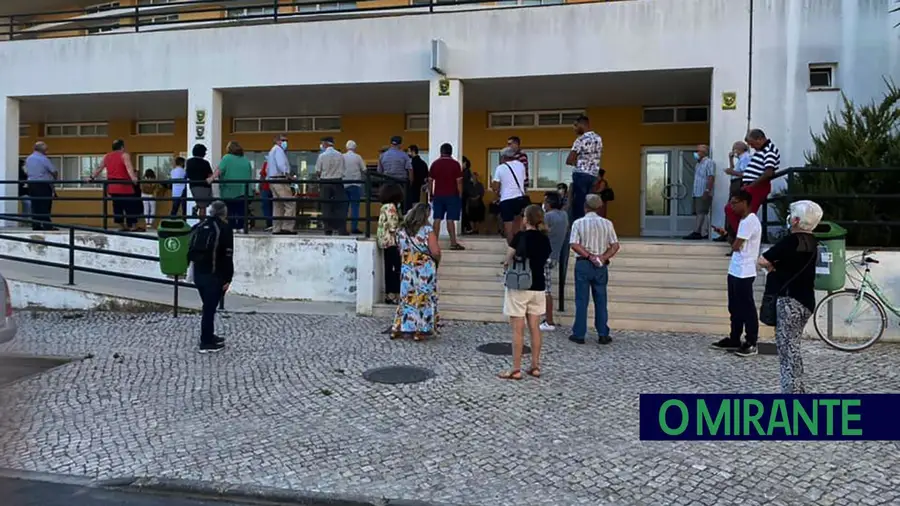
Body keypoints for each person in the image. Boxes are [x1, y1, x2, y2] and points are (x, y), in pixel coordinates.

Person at [758, 200, 822, 393]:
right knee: (793, 346)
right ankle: (797, 388)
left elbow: (763, 259)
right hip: (806, 301)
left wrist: (772, 267)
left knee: (787, 349)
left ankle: (792, 392)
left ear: (795, 220)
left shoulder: (791, 241)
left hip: (789, 301)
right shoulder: (812, 242)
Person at [498, 204, 551, 381]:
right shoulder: (545, 239)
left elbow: (508, 258)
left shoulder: (520, 237)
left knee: (517, 329)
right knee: (535, 328)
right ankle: (535, 366)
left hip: (520, 286)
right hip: (538, 286)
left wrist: (506, 263)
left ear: (526, 219)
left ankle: (516, 369)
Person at [711, 190, 762, 356]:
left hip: (745, 271)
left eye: (734, 203)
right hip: (735, 268)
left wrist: (730, 238)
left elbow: (736, 246)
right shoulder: (743, 221)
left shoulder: (750, 221)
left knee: (746, 307)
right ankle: (734, 338)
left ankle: (751, 341)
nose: (731, 206)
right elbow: (736, 244)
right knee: (734, 306)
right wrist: (726, 234)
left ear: (745, 203)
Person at [568, 194, 619, 345]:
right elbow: (615, 245)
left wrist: (589, 256)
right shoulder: (607, 223)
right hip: (601, 265)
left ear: (585, 206)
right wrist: (602, 257)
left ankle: (579, 334)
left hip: (584, 263)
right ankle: (603, 333)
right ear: (599, 207)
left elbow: (574, 244)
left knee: (582, 300)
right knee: (601, 300)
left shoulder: (578, 223)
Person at [188, 200, 233, 354]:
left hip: (198, 273)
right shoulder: (224, 228)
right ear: (224, 213)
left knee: (208, 306)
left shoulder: (199, 226)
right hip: (215, 274)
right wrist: (228, 278)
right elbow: (228, 255)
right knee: (209, 308)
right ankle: (206, 342)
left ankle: (209, 336)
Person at [391, 203, 441, 341]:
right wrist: (437, 260)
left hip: (407, 266)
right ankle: (421, 329)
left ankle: (401, 327)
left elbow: (399, 248)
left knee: (407, 297)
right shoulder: (426, 230)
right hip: (424, 267)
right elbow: (435, 251)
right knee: (423, 296)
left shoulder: (401, 230)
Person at [724, 128, 780, 237]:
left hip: (756, 187)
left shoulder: (769, 150)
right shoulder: (761, 151)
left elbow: (769, 172)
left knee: (741, 212)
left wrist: (751, 185)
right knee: (733, 209)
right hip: (750, 186)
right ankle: (741, 237)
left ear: (759, 139)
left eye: (752, 143)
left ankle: (744, 239)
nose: (751, 146)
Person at [90, 139, 138, 231]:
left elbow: (99, 168)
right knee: (130, 205)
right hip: (125, 185)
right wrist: (134, 178)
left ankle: (121, 226)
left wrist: (92, 177)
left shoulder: (107, 156)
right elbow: (129, 167)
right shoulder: (124, 155)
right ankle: (132, 226)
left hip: (112, 186)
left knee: (117, 206)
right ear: (122, 147)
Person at [565, 115, 602, 222]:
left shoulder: (580, 140)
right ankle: (590, 225)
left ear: (583, 124)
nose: (574, 128)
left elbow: (569, 159)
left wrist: (575, 161)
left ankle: (578, 228)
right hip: (593, 175)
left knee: (578, 204)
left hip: (581, 174)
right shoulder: (598, 139)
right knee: (589, 203)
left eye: (576, 126)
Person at [540, 191, 568, 331]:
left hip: (545, 255)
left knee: (546, 290)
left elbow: (541, 232)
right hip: (555, 255)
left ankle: (549, 320)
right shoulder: (564, 215)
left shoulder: (548, 216)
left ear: (549, 203)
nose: (543, 204)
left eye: (545, 202)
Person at [429, 142, 465, 250]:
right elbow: (459, 182)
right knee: (450, 219)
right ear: (451, 152)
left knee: (437, 218)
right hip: (452, 195)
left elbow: (430, 181)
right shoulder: (455, 164)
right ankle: (453, 243)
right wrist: (460, 194)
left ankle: (434, 243)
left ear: (441, 152)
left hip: (438, 195)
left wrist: (431, 194)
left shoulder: (435, 164)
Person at [491, 146, 528, 244]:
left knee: (508, 229)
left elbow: (496, 187)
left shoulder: (500, 168)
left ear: (503, 157)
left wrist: (495, 192)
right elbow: (523, 182)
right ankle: (519, 251)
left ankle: (512, 252)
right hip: (520, 199)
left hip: (506, 200)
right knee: (518, 228)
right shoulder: (521, 166)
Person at [717, 140, 752, 242]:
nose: (733, 151)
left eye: (734, 149)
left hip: (739, 183)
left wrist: (731, 172)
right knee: (730, 207)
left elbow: (744, 173)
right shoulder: (740, 159)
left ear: (740, 148)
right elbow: (734, 170)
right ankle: (727, 233)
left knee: (733, 207)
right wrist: (731, 159)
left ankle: (731, 234)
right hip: (734, 183)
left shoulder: (746, 158)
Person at [214, 141, 253, 232]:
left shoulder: (227, 158)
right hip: (244, 190)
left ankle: (232, 227)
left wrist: (211, 178)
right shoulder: (245, 159)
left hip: (229, 190)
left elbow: (219, 170)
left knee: (230, 210)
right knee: (241, 210)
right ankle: (241, 227)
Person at [377, 184, 404, 304]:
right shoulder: (392, 207)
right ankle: (394, 294)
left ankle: (390, 294)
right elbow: (393, 226)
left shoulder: (384, 207)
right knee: (396, 268)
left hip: (384, 241)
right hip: (392, 241)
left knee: (389, 268)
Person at [316, 136, 347, 236]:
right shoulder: (340, 155)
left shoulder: (322, 156)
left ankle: (328, 229)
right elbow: (343, 170)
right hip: (338, 182)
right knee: (339, 206)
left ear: (325, 143)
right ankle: (340, 229)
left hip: (325, 182)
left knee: (326, 207)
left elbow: (318, 171)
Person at [24, 141, 59, 231]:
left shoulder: (29, 158)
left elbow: (27, 171)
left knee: (35, 204)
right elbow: (53, 171)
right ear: (41, 149)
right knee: (45, 204)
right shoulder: (43, 159)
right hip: (43, 184)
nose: (47, 150)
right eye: (45, 148)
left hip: (32, 184)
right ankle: (47, 225)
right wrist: (54, 178)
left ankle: (36, 224)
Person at [684, 144, 715, 240]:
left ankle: (697, 232)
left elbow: (711, 177)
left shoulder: (709, 162)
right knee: (699, 211)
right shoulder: (698, 164)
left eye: (698, 151)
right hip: (697, 191)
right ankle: (703, 232)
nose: (696, 153)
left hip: (703, 191)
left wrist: (707, 190)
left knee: (701, 211)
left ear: (703, 152)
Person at [378, 136, 413, 211]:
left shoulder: (383, 155)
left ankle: (389, 218)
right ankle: (402, 218)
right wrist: (410, 182)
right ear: (400, 144)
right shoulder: (404, 155)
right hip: (401, 182)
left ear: (391, 144)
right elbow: (410, 170)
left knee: (388, 203)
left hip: (387, 182)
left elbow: (379, 171)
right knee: (404, 204)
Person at [343, 140, 367, 234]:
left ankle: (343, 227)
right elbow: (364, 170)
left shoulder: (342, 157)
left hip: (344, 184)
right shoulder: (358, 157)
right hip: (355, 184)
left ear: (346, 147)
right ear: (355, 147)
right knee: (355, 207)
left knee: (344, 207)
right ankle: (354, 227)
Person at [186, 144, 214, 219]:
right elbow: (210, 175)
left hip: (193, 186)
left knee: (202, 202)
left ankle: (196, 207)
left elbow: (188, 175)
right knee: (203, 206)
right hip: (204, 186)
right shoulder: (205, 163)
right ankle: (202, 224)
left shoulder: (189, 162)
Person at [407, 144, 429, 213]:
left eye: (408, 151)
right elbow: (426, 177)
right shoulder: (423, 163)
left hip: (411, 187)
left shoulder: (410, 163)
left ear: (413, 151)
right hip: (421, 189)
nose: (408, 153)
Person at [460, 156, 475, 234]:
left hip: (464, 193)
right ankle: (466, 227)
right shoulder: (466, 171)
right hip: (465, 193)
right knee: (463, 211)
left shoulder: (466, 172)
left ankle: (467, 227)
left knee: (463, 211)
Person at [257, 161, 273, 231]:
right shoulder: (267, 163)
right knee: (266, 206)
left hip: (271, 188)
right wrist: (260, 187)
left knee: (271, 206)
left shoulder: (268, 163)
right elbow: (262, 176)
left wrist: (260, 186)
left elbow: (262, 176)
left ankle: (272, 224)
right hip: (267, 188)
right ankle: (270, 224)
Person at [17, 159, 31, 225]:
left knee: (28, 203)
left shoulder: (22, 171)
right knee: (28, 203)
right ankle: (25, 221)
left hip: (23, 192)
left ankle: (25, 221)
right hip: (20, 191)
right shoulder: (18, 171)